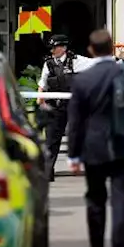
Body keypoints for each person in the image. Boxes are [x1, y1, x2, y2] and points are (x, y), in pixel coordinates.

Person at [66, 29, 124, 247]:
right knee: (123, 201)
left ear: (90, 50)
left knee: (96, 201)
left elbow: (75, 122)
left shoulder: (83, 80)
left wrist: (74, 155)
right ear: (113, 48)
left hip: (94, 148)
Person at [38, 34, 92, 181]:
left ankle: (91, 169)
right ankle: (48, 171)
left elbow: (96, 63)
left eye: (54, 47)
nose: (52, 50)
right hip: (56, 106)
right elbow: (42, 84)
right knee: (51, 140)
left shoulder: (76, 61)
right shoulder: (48, 64)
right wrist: (40, 99)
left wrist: (116, 58)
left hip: (74, 106)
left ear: (63, 48)